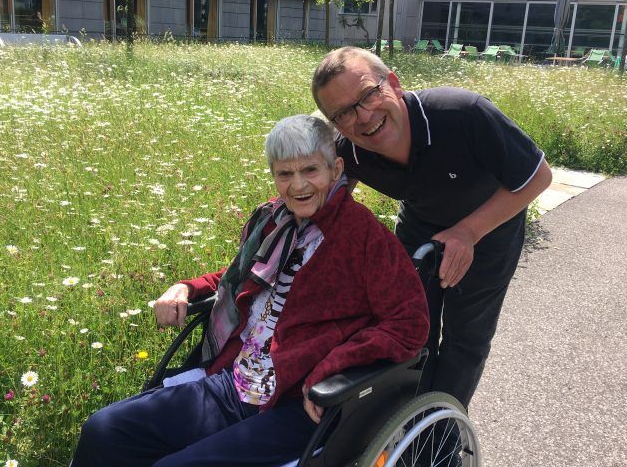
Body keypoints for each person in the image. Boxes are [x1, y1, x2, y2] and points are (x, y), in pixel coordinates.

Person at [70, 114, 428, 467]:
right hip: (235, 380)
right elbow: (239, 276)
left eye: (310, 170)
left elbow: (409, 323)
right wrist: (185, 287)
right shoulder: (273, 219)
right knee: (104, 430)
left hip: (298, 399)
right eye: (285, 174)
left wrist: (333, 366)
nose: (298, 185)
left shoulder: (365, 238)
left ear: (335, 170)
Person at [311, 47, 552, 409]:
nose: (363, 117)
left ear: (394, 84)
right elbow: (328, 202)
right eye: (343, 113)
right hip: (420, 223)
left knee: (465, 338)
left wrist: (468, 233)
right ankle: (408, 416)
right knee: (407, 327)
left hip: (490, 226)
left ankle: (441, 428)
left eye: (369, 94)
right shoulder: (351, 151)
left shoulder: (462, 113)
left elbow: (538, 176)